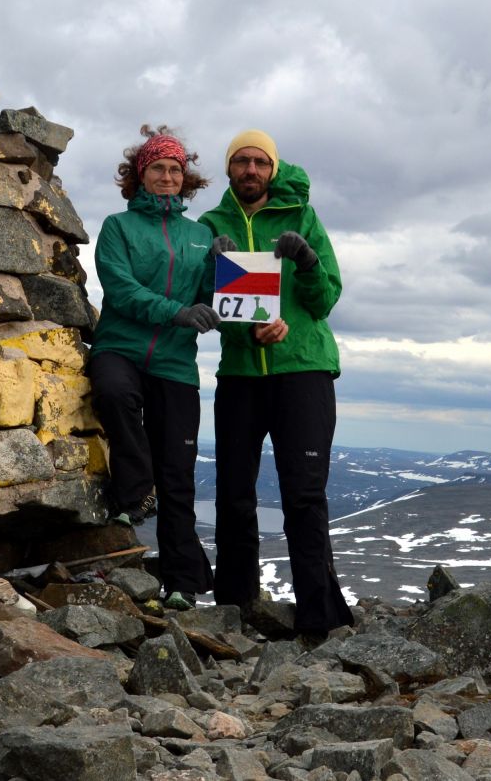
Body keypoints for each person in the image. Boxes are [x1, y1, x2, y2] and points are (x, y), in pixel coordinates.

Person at [198, 129, 355, 635]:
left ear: (273, 168)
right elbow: (210, 309)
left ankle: (319, 619)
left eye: (259, 162)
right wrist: (210, 268)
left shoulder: (302, 217)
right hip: (241, 374)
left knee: (304, 496)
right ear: (228, 170)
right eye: (241, 161)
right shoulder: (212, 223)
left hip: (303, 371)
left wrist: (306, 260)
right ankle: (235, 609)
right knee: (234, 494)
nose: (250, 170)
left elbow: (326, 297)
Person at [88, 126, 219, 611]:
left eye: (175, 170)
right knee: (115, 396)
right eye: (158, 169)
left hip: (176, 362)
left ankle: (182, 582)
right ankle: (137, 492)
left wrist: (224, 267)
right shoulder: (118, 227)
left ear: (186, 180)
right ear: (139, 176)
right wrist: (176, 312)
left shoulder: (201, 236)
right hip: (120, 347)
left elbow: (213, 301)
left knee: (179, 471)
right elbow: (119, 290)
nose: (167, 177)